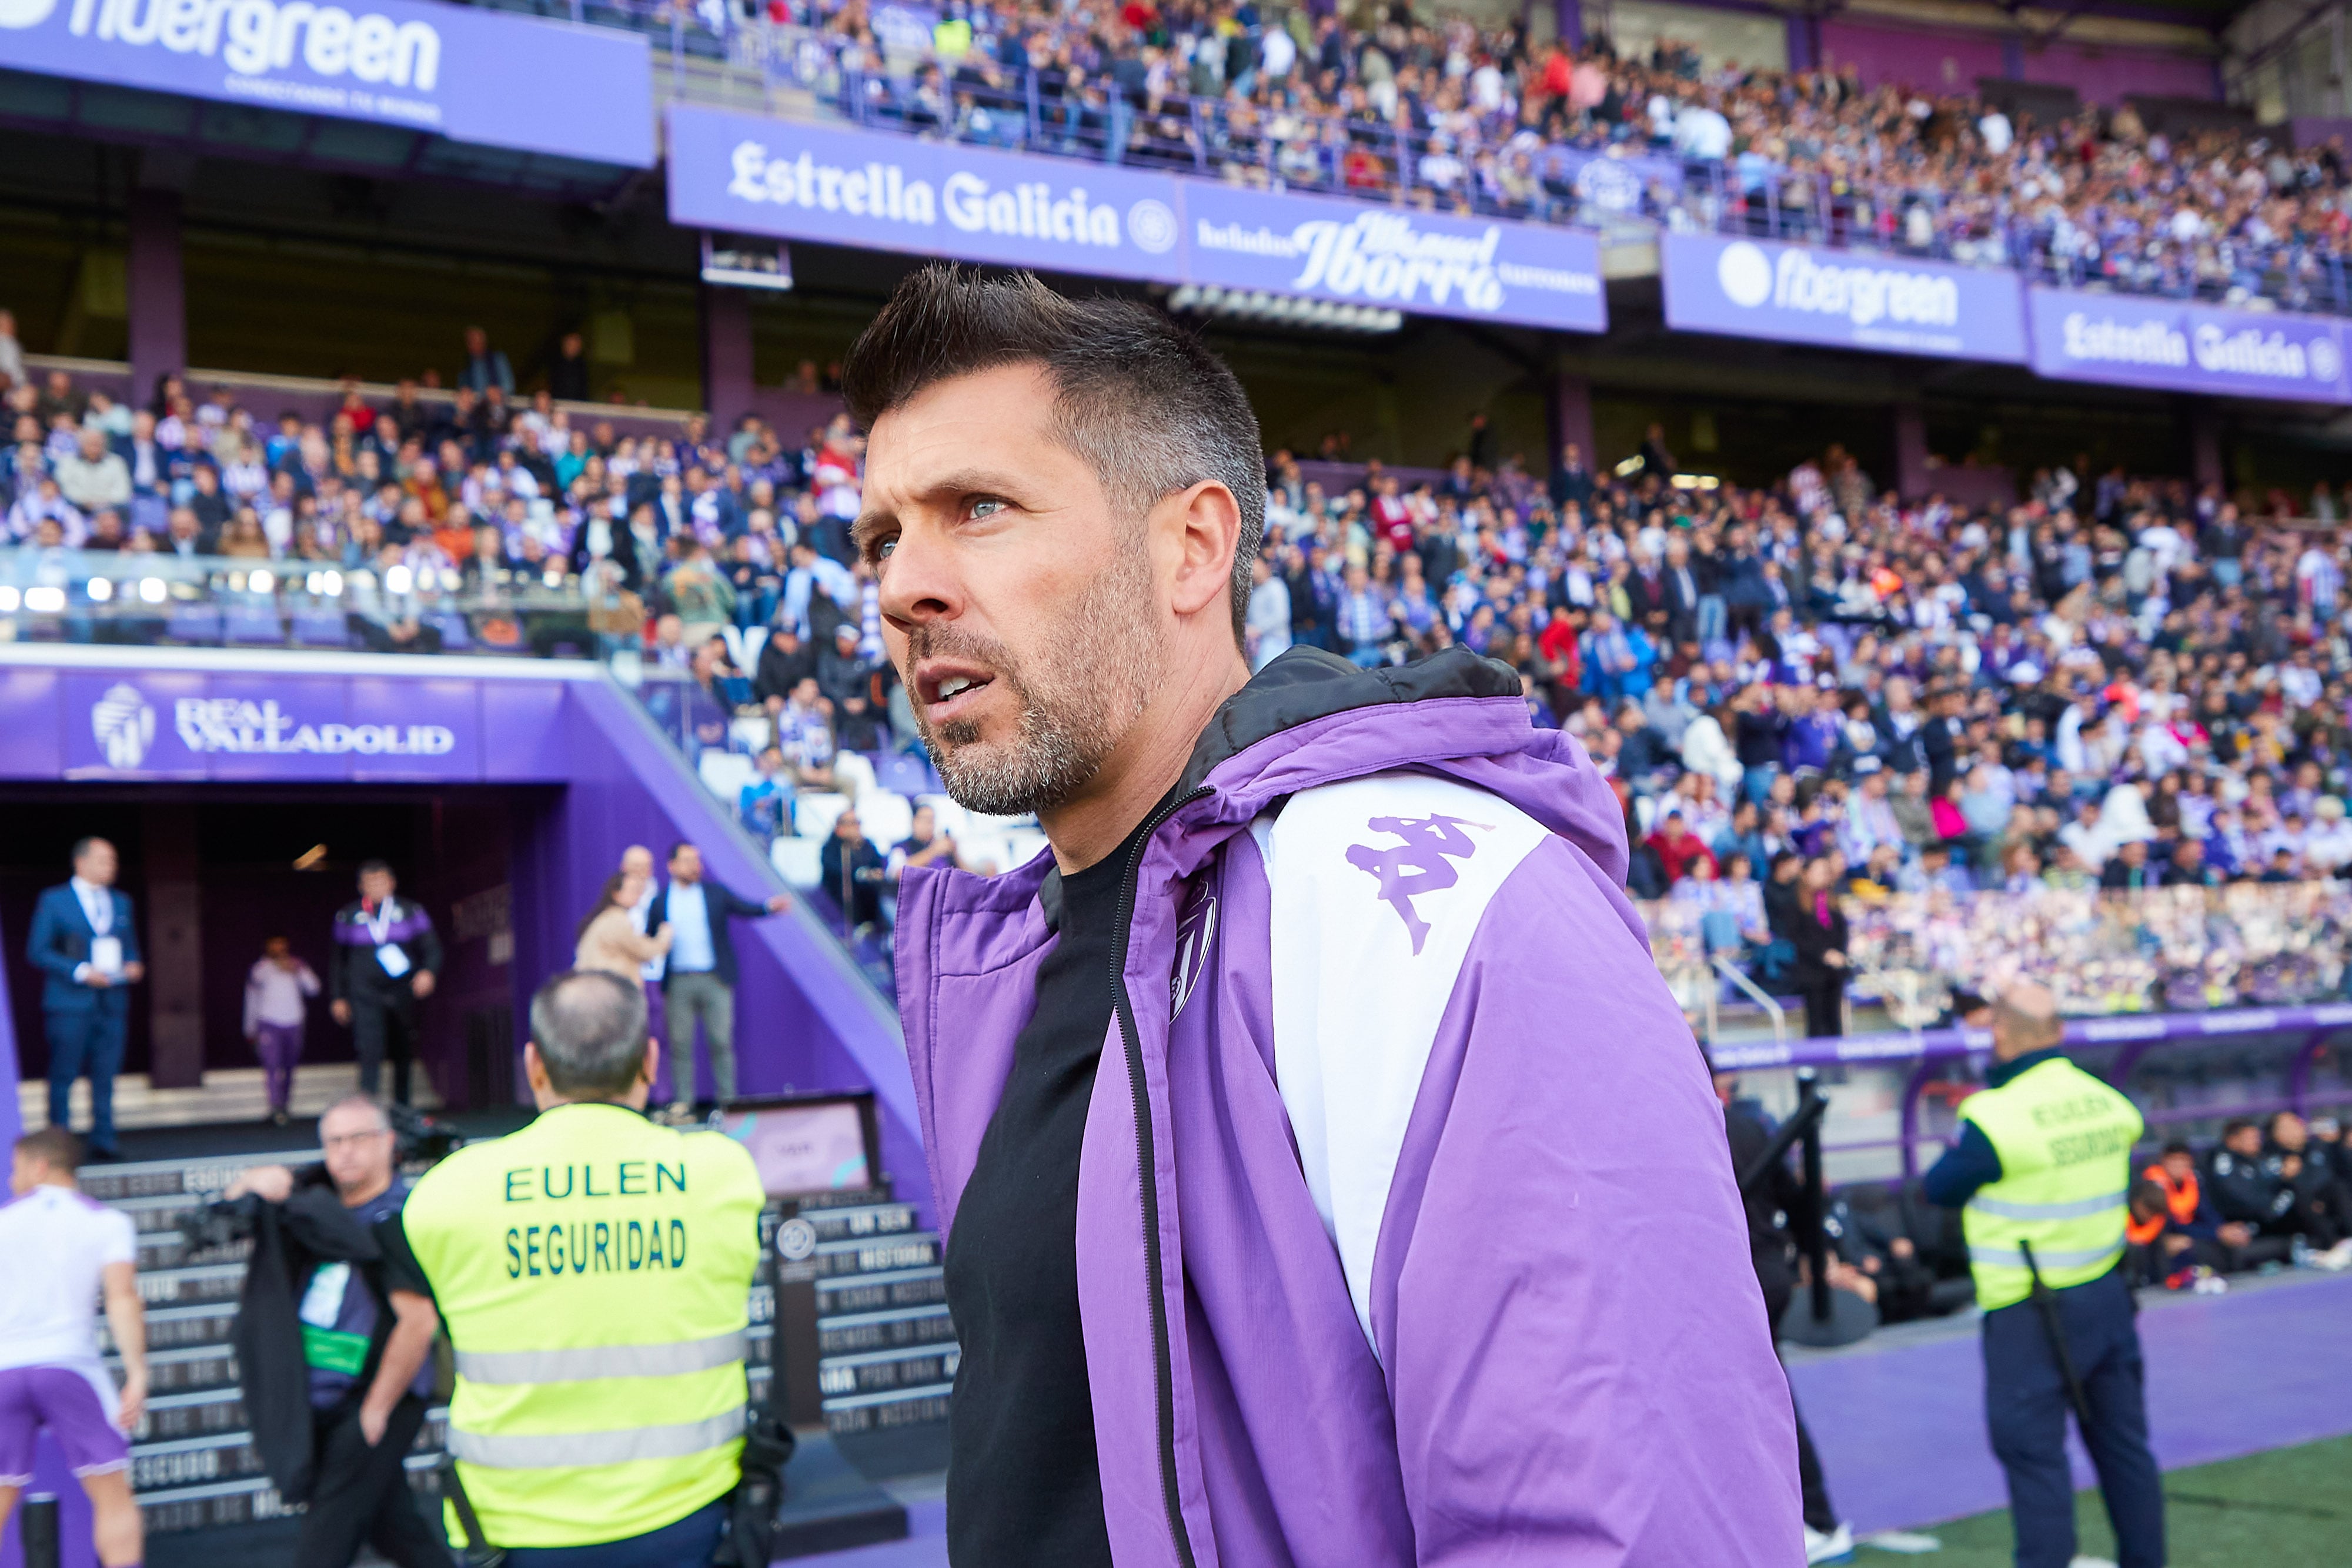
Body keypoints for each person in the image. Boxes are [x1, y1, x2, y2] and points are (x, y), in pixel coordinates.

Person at [847, 267, 1796, 1564]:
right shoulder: (1012, 963)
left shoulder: (1434, 902)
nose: (905, 584)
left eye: (981, 509)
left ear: (1191, 547)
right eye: (881, 538)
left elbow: (1618, 1518)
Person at [400, 970, 766, 1567]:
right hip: (690, 1518)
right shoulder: (722, 1172)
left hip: (511, 1531)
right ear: (650, 1061)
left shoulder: (447, 1194)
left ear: (534, 1066)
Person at [1922, 981, 2162, 1568]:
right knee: (2125, 1451)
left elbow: (1939, 1187)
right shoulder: (2108, 1102)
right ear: (2057, 1032)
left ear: (1999, 1035)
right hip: (2107, 1298)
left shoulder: (1994, 1116)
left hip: (2028, 1312)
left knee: (2034, 1461)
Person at [212, 1098, 447, 1568]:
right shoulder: (318, 1205)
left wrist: (376, 1409)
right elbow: (238, 1210)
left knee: (323, 1547)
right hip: (324, 1398)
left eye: (359, 1137)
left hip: (373, 1403)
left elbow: (419, 1321)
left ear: (387, 1142)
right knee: (398, 1532)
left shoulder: (394, 1219)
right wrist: (251, 1179)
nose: (346, 1151)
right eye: (334, 1140)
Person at [1719, 1071, 1852, 1563]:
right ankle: (1808, 1517)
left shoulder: (1696, 1123)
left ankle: (1813, 1520)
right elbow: (1796, 1202)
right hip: (1764, 1274)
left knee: (1762, 1399)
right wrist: (1815, 1256)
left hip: (1739, 1278)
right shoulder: (1749, 1128)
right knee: (1762, 1396)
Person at [0, 1128, 147, 1568]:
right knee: (113, 1497)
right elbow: (121, 1297)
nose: (11, 1178)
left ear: (39, 1166)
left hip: (4, 1369)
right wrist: (137, 1372)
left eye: (16, 1167)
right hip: (71, 1367)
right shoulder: (108, 1221)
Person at [645, 842, 789, 1114]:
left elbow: (745, 908)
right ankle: (684, 1102)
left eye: (697, 860)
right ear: (672, 866)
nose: (694, 865)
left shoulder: (714, 893)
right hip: (678, 981)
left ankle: (728, 1102)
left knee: (721, 1041)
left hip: (715, 979)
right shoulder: (661, 901)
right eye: (687, 860)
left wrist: (769, 907)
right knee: (680, 1044)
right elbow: (648, 937)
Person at [27, 838, 145, 1160]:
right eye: (105, 860)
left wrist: (133, 963)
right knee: (63, 1074)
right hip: (69, 1003)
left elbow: (129, 945)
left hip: (112, 1001)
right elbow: (37, 951)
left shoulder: (121, 902)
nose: (112, 866)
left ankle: (104, 1139)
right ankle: (59, 1145)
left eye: (114, 860)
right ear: (81, 863)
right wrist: (80, 971)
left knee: (106, 1074)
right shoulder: (54, 900)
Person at [329, 862, 442, 1105]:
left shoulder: (411, 910)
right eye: (371, 882)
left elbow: (432, 948)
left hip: (401, 991)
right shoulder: (348, 915)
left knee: (403, 1049)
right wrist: (338, 997)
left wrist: (428, 972)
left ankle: (404, 1110)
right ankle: (368, 1110)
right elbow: (338, 960)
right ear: (361, 886)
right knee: (370, 1051)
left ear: (392, 883)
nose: (377, 887)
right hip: (364, 993)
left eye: (381, 881)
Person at [246, 935, 323, 1126]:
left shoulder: (297, 966)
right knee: (272, 1066)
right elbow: (252, 998)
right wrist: (249, 1027)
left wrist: (298, 970)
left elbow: (314, 989)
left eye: (282, 945)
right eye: (275, 945)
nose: (279, 949)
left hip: (293, 1023)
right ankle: (275, 1107)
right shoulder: (260, 969)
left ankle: (285, 1105)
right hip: (269, 1023)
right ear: (268, 947)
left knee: (289, 1066)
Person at [575, 869, 674, 986]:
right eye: (633, 890)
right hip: (609, 991)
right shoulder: (616, 919)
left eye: (639, 891)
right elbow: (643, 951)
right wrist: (664, 936)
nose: (638, 895)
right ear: (616, 894)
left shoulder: (608, 917)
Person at [1788, 856, 1850, 1038]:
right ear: (1806, 875)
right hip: (1811, 972)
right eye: (1819, 871)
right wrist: (1823, 954)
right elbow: (1797, 937)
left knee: (1834, 1022)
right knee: (1816, 1023)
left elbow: (1841, 933)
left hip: (1834, 973)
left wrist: (1839, 955)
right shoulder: (1796, 904)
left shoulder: (1833, 903)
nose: (1824, 876)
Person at [820, 807, 888, 932]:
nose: (856, 827)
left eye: (857, 823)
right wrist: (862, 873)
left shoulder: (866, 845)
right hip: (839, 903)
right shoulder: (831, 849)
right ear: (839, 829)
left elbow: (878, 865)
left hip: (869, 900)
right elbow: (838, 870)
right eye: (852, 823)